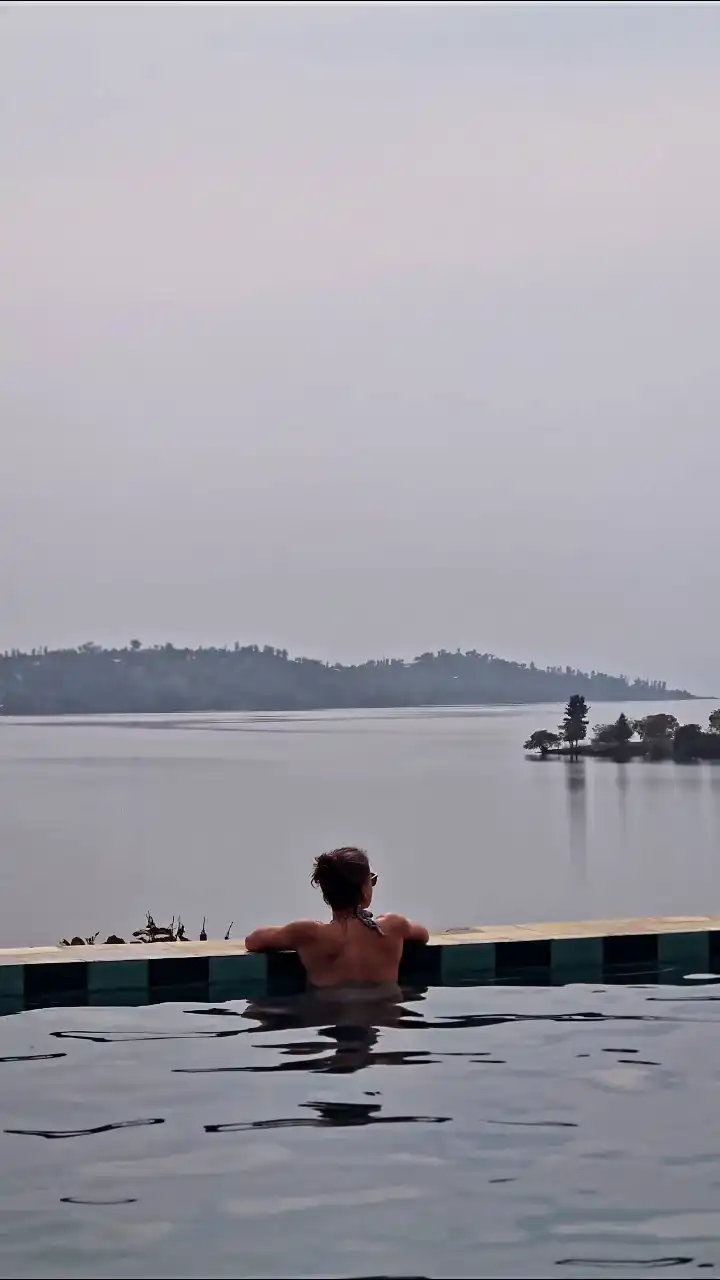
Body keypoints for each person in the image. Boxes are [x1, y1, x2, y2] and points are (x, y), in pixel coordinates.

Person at [244, 846, 429, 989]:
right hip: (385, 1015)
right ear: (364, 891)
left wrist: (294, 932)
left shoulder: (308, 934)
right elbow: (423, 935)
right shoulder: (393, 926)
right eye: (371, 880)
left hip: (329, 1015)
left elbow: (253, 940)